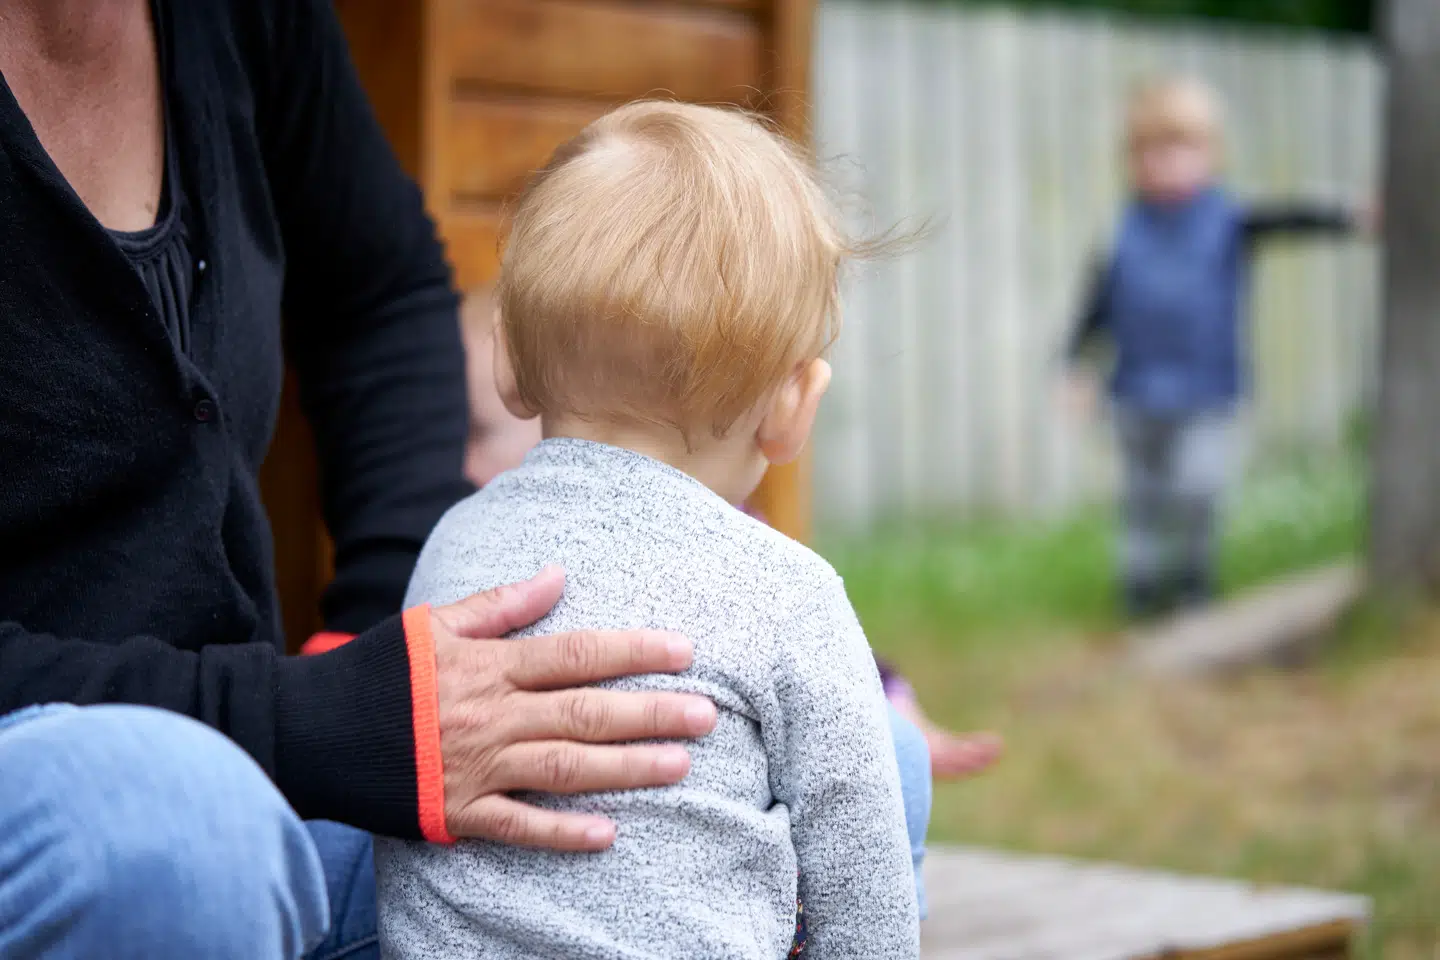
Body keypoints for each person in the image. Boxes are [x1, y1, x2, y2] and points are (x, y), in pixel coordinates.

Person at [0, 3, 720, 958]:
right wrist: (317, 723)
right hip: (139, 815)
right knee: (183, 842)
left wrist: (384, 619)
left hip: (265, 765)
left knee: (773, 777)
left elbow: (382, 294)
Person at [376, 101, 920, 959]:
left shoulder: (451, 546)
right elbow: (866, 898)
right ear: (793, 410)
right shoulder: (788, 593)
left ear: (507, 364)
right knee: (891, 779)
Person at [464, 289, 1003, 783]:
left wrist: (891, 701)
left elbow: (811, 657)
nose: (458, 462)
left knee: (895, 751)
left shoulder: (738, 539)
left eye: (475, 434)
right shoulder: (475, 551)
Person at [1064, 76, 1372, 621]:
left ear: (1210, 154)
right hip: (1136, 395)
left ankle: (1192, 584)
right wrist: (1077, 365)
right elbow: (1096, 304)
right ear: (1132, 160)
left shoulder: (1226, 220)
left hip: (1207, 392)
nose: (1167, 163)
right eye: (1152, 151)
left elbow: (1287, 219)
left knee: (1197, 489)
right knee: (1143, 500)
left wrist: (1350, 216)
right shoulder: (1121, 230)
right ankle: (1140, 592)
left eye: (1182, 148)